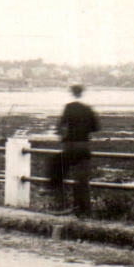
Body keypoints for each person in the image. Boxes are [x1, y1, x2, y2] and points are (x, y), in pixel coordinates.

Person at [55, 84, 99, 216]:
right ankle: (84, 210)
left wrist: (63, 136)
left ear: (72, 93)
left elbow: (60, 126)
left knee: (60, 174)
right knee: (83, 179)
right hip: (84, 146)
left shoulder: (68, 107)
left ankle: (63, 206)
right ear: (82, 93)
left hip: (70, 146)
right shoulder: (88, 108)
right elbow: (95, 127)